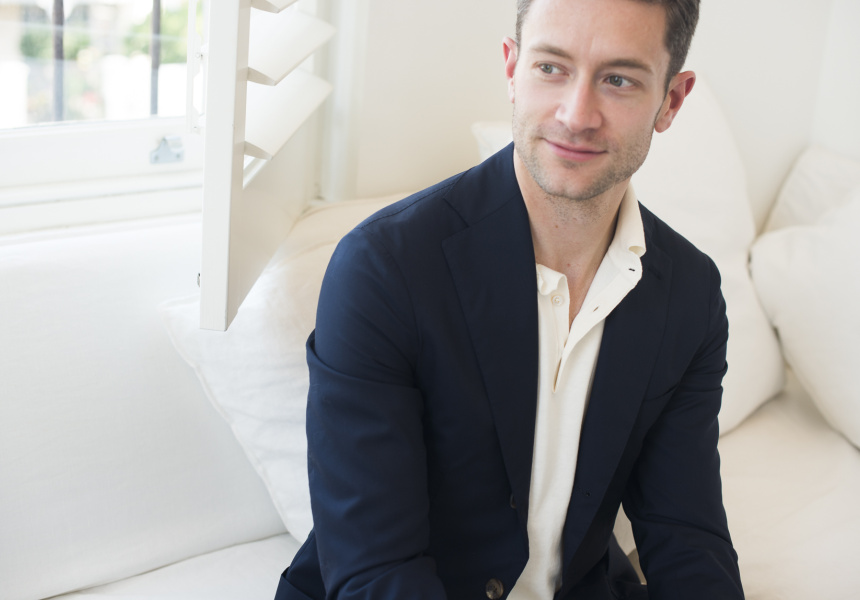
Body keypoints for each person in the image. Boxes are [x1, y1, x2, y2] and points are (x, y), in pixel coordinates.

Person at [275, 0, 744, 598]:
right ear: (512, 69)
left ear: (671, 101)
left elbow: (686, 534)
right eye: (551, 68)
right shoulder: (384, 268)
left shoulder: (691, 293)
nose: (576, 115)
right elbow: (376, 570)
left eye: (619, 80)